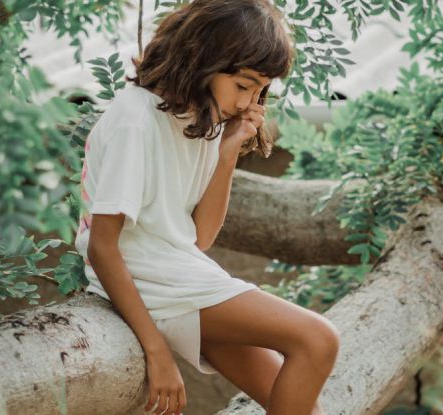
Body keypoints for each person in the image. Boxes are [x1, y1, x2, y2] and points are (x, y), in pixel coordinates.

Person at [73, 1, 340, 414]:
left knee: (306, 407)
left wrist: (228, 150)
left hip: (181, 275)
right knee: (318, 339)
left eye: (260, 91)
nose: (250, 101)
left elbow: (198, 239)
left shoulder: (200, 122)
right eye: (244, 85)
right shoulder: (135, 119)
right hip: (150, 281)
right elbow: (102, 247)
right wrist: (157, 352)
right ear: (203, 58)